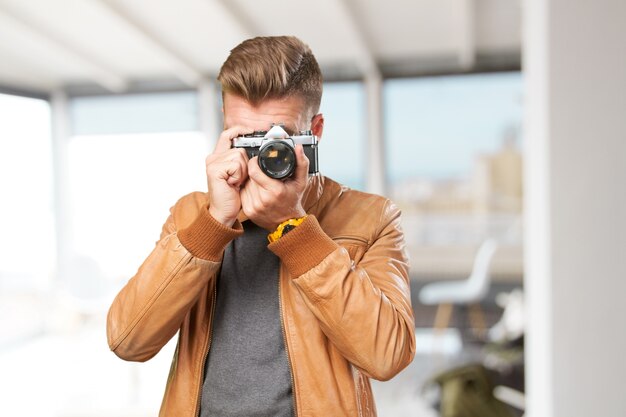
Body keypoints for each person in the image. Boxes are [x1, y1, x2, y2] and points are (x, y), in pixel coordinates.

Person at [106, 35, 415, 417]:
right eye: (245, 137)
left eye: (278, 138)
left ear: (314, 131)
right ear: (224, 129)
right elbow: (127, 341)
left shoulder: (370, 217)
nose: (264, 154)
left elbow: (387, 355)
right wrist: (213, 224)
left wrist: (294, 227)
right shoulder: (192, 214)